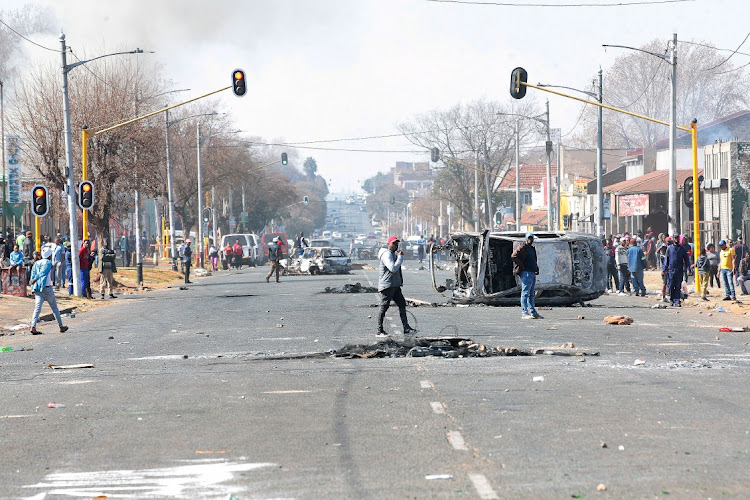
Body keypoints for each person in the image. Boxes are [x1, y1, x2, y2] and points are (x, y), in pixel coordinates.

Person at [376, 236, 417, 337]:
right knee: (384, 307)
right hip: (387, 285)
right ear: (389, 244)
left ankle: (406, 328)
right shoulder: (386, 254)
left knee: (402, 304)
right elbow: (393, 268)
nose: (396, 245)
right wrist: (400, 258)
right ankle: (379, 330)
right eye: (394, 243)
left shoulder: (392, 254)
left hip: (395, 285)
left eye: (397, 243)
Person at [29, 247, 68, 335]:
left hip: (38, 289)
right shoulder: (48, 263)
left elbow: (33, 274)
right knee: (54, 308)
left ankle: (33, 326)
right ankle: (61, 326)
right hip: (47, 288)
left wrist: (33, 286)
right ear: (50, 255)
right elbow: (43, 272)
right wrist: (35, 279)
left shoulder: (37, 263)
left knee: (37, 308)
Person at [511, 232, 542, 319]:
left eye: (531, 238)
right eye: (529, 238)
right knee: (525, 293)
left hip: (532, 272)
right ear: (526, 239)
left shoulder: (532, 248)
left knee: (531, 294)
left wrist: (536, 268)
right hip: (526, 273)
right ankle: (524, 312)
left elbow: (533, 259)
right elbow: (514, 256)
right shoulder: (522, 247)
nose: (530, 240)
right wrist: (522, 266)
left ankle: (533, 312)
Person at [663, 235, 690, 307]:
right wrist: (664, 269)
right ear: (673, 239)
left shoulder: (682, 249)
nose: (676, 239)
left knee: (678, 286)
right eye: (675, 238)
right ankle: (672, 299)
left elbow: (687, 260)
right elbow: (666, 259)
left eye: (677, 238)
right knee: (671, 285)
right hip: (671, 270)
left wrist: (688, 269)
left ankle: (677, 300)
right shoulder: (669, 248)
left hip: (679, 270)